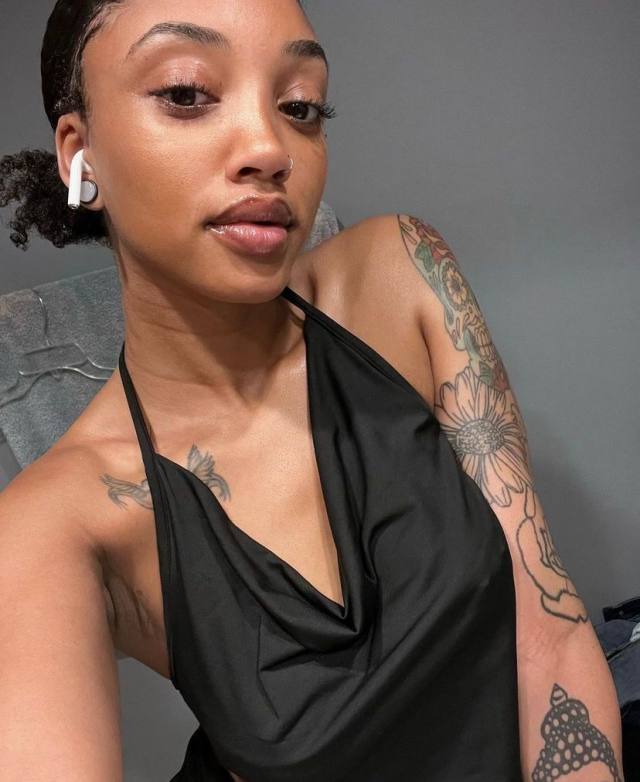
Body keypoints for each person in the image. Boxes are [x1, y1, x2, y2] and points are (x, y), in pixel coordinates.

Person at [0, 1, 624, 780]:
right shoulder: (54, 524)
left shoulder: (401, 277)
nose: (271, 148)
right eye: (187, 93)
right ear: (79, 152)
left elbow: (548, 634)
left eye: (301, 106)